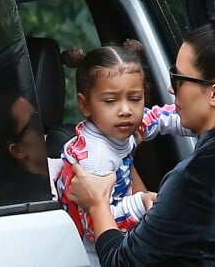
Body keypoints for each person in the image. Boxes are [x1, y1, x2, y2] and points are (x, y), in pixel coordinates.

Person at [67, 0, 215, 266]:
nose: (168, 88)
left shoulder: (196, 180)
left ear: (214, 94)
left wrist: (97, 203)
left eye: (177, 78)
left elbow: (122, 262)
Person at [55, 39, 194, 266]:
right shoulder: (94, 159)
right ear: (85, 105)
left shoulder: (119, 127)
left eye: (135, 98)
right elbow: (94, 223)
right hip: (96, 256)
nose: (126, 110)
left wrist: (203, 120)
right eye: (110, 101)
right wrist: (140, 203)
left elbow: (158, 118)